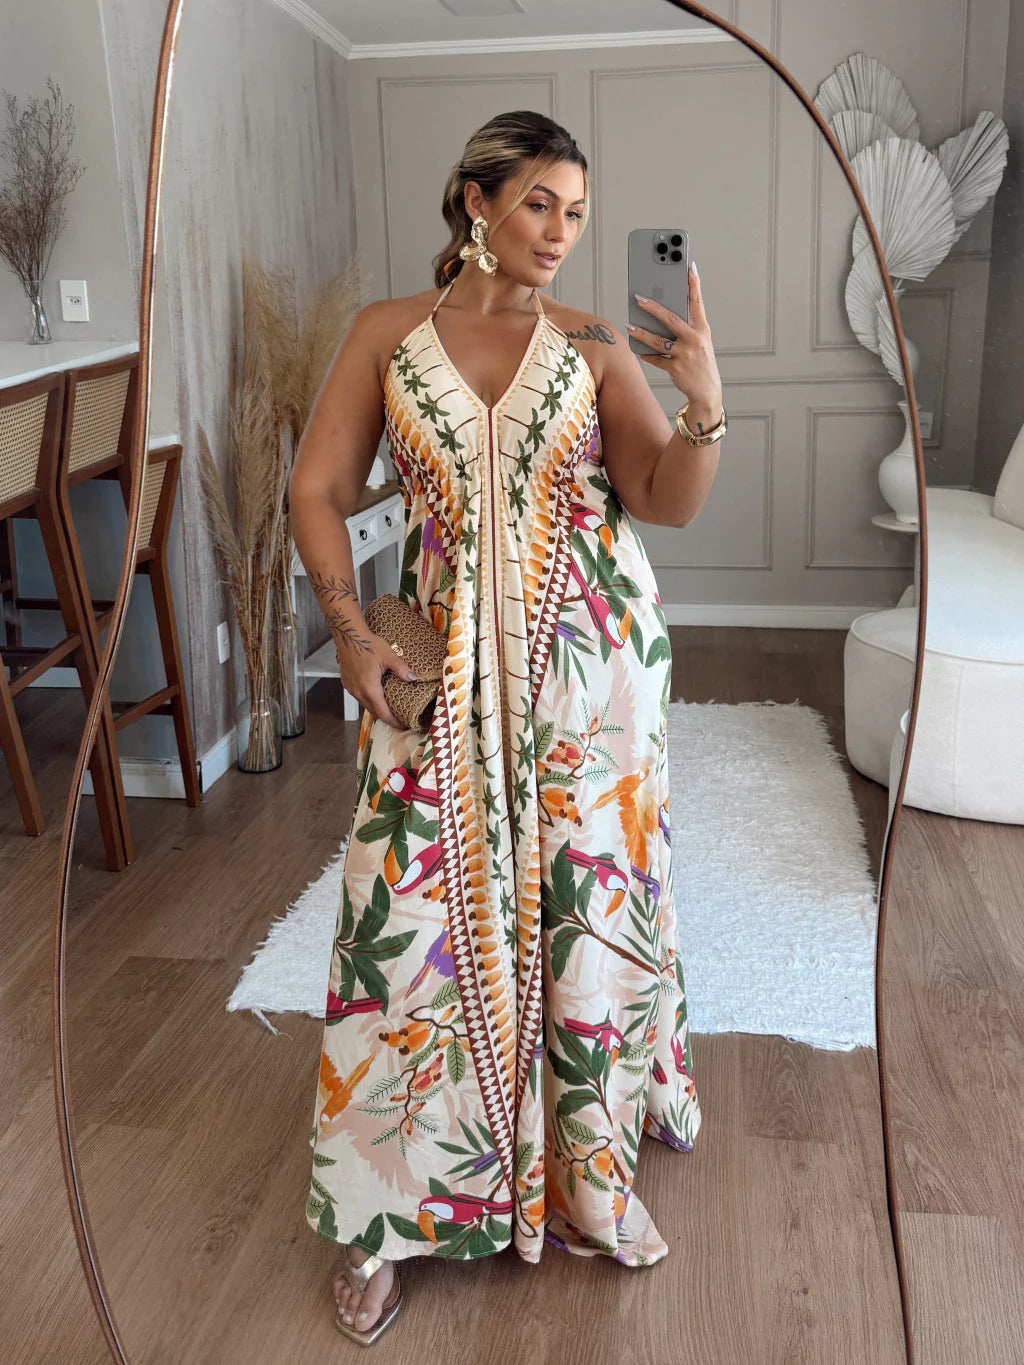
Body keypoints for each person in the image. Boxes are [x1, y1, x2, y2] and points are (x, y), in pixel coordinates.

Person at [288, 109, 725, 1345]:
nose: (561, 232)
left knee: (585, 901)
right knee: (403, 922)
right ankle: (386, 1212)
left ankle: (584, 1167)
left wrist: (704, 406)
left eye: (576, 212)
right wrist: (351, 633)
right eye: (539, 202)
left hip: (590, 672)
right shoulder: (386, 333)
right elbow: (316, 490)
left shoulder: (591, 341)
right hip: (434, 672)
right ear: (474, 200)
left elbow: (663, 500)